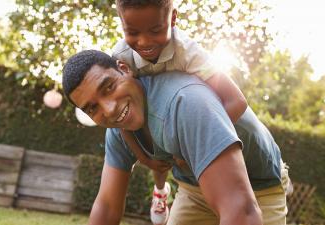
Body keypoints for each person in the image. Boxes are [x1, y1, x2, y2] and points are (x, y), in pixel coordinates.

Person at [62, 50, 291, 225]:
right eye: (92, 108)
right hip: (194, 188)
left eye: (109, 87)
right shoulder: (118, 130)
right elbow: (108, 206)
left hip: (258, 185)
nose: (109, 109)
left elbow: (241, 211)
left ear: (124, 69)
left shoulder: (184, 101)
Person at [112, 1, 248, 223]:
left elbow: (237, 101)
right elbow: (120, 117)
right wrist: (144, 159)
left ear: (173, 19)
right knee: (153, 140)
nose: (144, 41)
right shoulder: (121, 56)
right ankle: (160, 191)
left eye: (155, 30)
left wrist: (195, 145)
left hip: (183, 116)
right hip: (152, 116)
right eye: (132, 32)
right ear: (121, 24)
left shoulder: (189, 52)